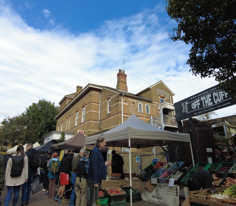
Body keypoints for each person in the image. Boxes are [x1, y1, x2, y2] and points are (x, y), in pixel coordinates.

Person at [87, 138, 111, 206]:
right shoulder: (96, 152)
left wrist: (104, 164)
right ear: (100, 143)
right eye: (104, 142)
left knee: (95, 198)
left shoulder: (97, 151)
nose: (105, 144)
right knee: (94, 199)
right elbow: (94, 167)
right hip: (94, 179)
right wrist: (95, 181)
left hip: (96, 178)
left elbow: (97, 165)